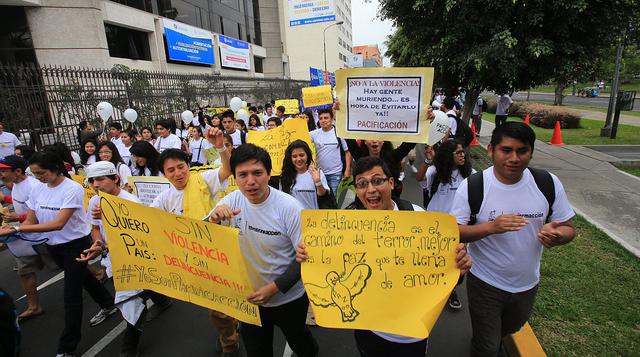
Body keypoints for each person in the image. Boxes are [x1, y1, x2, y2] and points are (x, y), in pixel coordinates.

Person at [295, 156, 472, 357]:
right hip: (368, 329)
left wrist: (459, 267)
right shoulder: (350, 224)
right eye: (362, 184)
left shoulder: (419, 219)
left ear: (391, 183)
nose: (370, 189)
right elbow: (331, 263)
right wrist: (309, 256)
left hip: (411, 334)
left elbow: (444, 275)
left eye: (377, 181)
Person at [451, 122, 576, 356]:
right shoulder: (474, 186)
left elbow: (569, 228)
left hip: (527, 284)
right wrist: (491, 227)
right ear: (491, 150)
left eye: (522, 151)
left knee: (507, 330)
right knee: (487, 347)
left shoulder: (547, 183)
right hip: (485, 282)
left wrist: (559, 236)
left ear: (531, 152)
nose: (514, 158)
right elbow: (454, 231)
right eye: (506, 150)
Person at [0, 151, 117, 357]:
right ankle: (108, 304)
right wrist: (14, 229)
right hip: (53, 246)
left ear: (55, 168)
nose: (38, 177)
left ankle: (67, 348)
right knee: (84, 279)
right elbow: (32, 219)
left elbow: (58, 223)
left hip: (76, 244)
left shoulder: (72, 188)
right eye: (35, 173)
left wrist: (18, 230)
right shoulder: (39, 190)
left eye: (41, 173)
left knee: (71, 295)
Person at [208, 143, 319, 357]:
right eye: (243, 175)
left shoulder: (290, 208)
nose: (251, 181)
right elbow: (205, 241)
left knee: (302, 343)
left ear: (269, 174)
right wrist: (213, 220)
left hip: (289, 298)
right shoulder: (230, 202)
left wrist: (273, 288)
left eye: (257, 173)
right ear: (235, 178)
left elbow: (304, 259)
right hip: (250, 300)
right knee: (258, 350)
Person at [151, 128, 240, 357]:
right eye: (171, 170)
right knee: (221, 304)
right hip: (193, 259)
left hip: (218, 251)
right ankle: (231, 326)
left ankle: (230, 343)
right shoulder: (163, 198)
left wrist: (220, 146)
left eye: (181, 166)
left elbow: (228, 170)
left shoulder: (202, 180)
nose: (178, 173)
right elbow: (146, 222)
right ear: (164, 174)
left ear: (187, 166)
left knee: (217, 307)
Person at [78, 161, 172, 357]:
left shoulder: (131, 202)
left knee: (131, 301)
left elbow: (139, 237)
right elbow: (95, 228)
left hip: (134, 259)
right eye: (92, 180)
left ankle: (129, 348)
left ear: (115, 178)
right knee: (140, 290)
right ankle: (161, 300)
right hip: (112, 259)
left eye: (101, 179)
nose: (96, 184)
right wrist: (98, 244)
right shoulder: (96, 202)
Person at [417, 140, 475, 310]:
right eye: (458, 153)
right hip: (434, 226)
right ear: (448, 156)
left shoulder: (469, 174)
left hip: (457, 228)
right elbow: (420, 178)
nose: (462, 155)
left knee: (456, 263)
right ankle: (431, 289)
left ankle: (451, 289)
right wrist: (428, 161)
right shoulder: (436, 172)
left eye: (462, 152)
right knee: (432, 259)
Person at [0, 155, 55, 321]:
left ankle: (95, 273)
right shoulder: (16, 185)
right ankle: (34, 307)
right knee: (25, 272)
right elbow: (22, 202)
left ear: (17, 171)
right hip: (24, 237)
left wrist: (17, 219)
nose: (1, 174)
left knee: (68, 265)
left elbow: (40, 213)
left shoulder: (34, 186)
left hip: (42, 237)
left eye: (3, 171)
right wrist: (7, 200)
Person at [280, 140, 333, 210]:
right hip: (293, 218)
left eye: (301, 155)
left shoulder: (316, 172)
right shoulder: (285, 176)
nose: (298, 159)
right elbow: (282, 201)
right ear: (290, 158)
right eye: (294, 156)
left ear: (307, 155)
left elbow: (323, 196)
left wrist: (318, 182)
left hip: (313, 218)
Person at [309, 108, 351, 195]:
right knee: (322, 198)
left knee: (334, 199)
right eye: (320, 118)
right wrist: (302, 121)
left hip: (335, 174)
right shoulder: (313, 134)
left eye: (326, 118)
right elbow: (300, 136)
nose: (323, 120)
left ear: (332, 119)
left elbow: (347, 152)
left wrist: (347, 170)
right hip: (319, 174)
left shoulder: (339, 133)